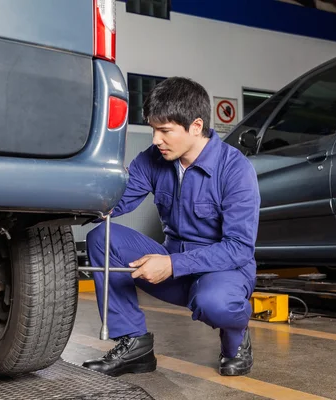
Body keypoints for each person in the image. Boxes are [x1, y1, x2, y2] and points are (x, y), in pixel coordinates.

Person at [81, 76, 260, 377]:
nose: (155, 139)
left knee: (216, 302)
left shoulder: (235, 169)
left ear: (196, 127)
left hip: (222, 272)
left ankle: (236, 338)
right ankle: (134, 343)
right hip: (174, 269)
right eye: (153, 129)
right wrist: (82, 202)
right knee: (102, 237)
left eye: (164, 131)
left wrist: (172, 264)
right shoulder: (154, 159)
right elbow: (116, 201)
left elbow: (239, 249)